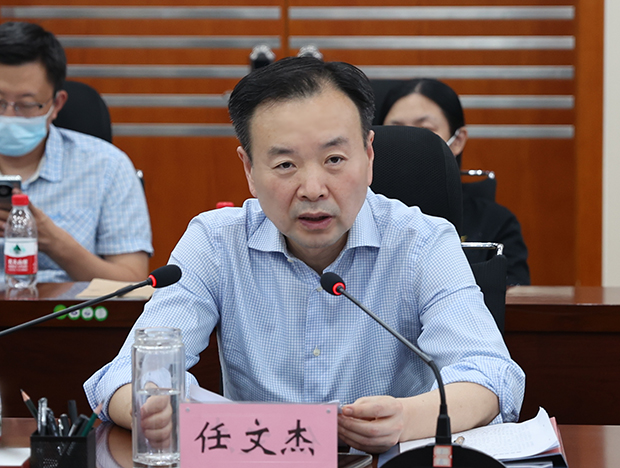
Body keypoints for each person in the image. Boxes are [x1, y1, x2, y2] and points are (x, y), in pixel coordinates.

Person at [84, 57, 524, 454]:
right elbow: (125, 376)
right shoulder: (216, 242)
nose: (313, 189)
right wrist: (152, 408)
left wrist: (407, 418)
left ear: (368, 155)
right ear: (249, 170)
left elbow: (490, 375)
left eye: (334, 159)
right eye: (285, 165)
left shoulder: (423, 242)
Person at [0, 22, 153, 283]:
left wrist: (55, 243)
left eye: (26, 104)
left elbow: (132, 282)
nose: (9, 116)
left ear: (56, 104)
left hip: (72, 308)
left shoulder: (107, 166)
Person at [378, 78, 530, 285]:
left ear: (457, 140)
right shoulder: (359, 215)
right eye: (396, 131)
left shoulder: (496, 222)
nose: (409, 142)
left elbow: (513, 295)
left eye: (425, 131)